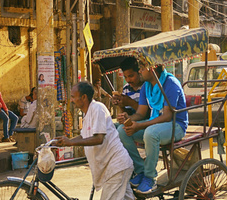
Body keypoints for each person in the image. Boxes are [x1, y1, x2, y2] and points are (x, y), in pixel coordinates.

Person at [116, 58, 188, 194]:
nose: (140, 72)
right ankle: (140, 170)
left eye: (142, 69)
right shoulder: (146, 87)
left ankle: (150, 177)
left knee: (151, 133)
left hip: (175, 126)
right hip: (156, 124)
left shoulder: (170, 83)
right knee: (123, 130)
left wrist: (139, 126)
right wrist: (129, 119)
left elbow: (167, 116)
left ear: (152, 68)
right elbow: (141, 113)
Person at [55, 82, 133, 200]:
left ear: (84, 97)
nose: (71, 100)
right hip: (112, 168)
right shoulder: (88, 114)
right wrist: (66, 142)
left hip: (116, 166)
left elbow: (98, 138)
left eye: (73, 96)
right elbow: (83, 136)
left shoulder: (98, 108)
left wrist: (70, 143)